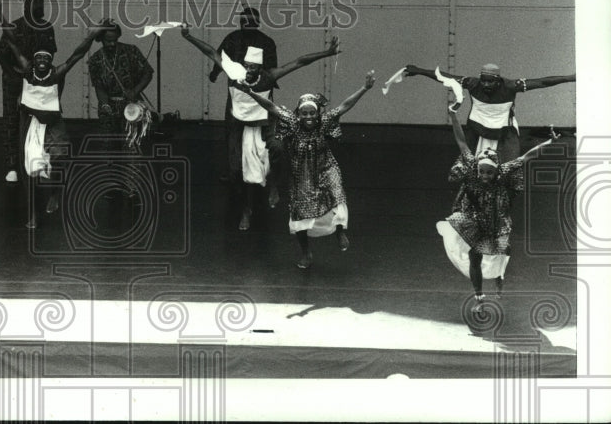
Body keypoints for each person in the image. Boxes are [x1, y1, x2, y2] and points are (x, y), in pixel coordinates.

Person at [182, 24, 340, 231]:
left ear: (259, 68)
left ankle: (273, 185)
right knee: (236, 170)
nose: (249, 71)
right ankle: (245, 210)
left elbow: (300, 62)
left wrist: (327, 53)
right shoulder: (234, 71)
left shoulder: (268, 77)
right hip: (240, 125)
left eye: (253, 68)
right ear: (244, 65)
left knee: (277, 148)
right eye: (247, 66)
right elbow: (211, 52)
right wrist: (188, 36)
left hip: (265, 123)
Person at [238, 70, 375, 268]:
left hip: (326, 168)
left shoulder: (324, 122)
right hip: (301, 175)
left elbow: (344, 106)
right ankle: (306, 253)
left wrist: (365, 88)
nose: (309, 117)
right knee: (300, 214)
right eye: (304, 113)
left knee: (336, 195)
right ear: (299, 114)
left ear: (318, 113)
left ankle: (339, 231)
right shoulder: (292, 123)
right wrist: (250, 93)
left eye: (312, 113)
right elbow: (270, 106)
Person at [437, 105, 557, 313]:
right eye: (482, 172)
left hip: (495, 221)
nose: (485, 176)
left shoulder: (503, 172)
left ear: (496, 171)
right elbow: (461, 141)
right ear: (477, 168)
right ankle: (479, 296)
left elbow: (526, 157)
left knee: (501, 251)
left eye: (489, 173)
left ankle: (499, 275)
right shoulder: (472, 166)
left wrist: (550, 141)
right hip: (473, 219)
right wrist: (453, 114)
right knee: (476, 255)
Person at [0, 0, 102, 228]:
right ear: (33, 61)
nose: (42, 60)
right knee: (30, 170)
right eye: (38, 58)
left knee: (61, 159)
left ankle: (54, 193)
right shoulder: (27, 71)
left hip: (53, 123)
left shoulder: (57, 73)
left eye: (46, 58)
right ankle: (32, 213)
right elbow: (12, 43)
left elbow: (77, 54)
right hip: (31, 123)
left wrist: (92, 35)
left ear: (51, 62)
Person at [404, 63, 574, 162]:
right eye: (483, 81)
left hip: (504, 132)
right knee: (467, 165)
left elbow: (542, 82)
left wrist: (570, 78)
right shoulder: (472, 83)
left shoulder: (511, 86)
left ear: (498, 80)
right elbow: (444, 77)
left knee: (509, 168)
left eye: (490, 82)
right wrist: (419, 70)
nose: (485, 85)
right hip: (478, 129)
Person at [209, 7, 278, 185]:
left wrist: (215, 73)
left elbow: (271, 70)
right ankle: (236, 171)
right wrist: (215, 72)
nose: (247, 24)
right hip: (241, 94)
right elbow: (221, 58)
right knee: (237, 132)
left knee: (252, 134)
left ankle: (253, 170)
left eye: (250, 21)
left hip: (256, 94)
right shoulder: (234, 39)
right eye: (244, 21)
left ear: (256, 23)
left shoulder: (264, 42)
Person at [0, 0, 57, 184]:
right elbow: (1, 55)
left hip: (38, 80)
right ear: (26, 5)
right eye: (36, 3)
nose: (40, 6)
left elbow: (50, 53)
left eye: (41, 2)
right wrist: (15, 76)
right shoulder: (15, 26)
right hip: (14, 79)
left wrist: (39, 74)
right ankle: (12, 166)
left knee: (42, 121)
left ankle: (40, 162)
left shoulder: (47, 27)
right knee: (12, 121)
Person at [87, 18, 154, 154]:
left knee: (132, 146)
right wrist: (105, 105)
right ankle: (112, 173)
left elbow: (148, 72)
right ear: (101, 39)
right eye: (108, 41)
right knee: (109, 147)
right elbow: (98, 86)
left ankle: (132, 175)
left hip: (131, 105)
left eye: (114, 40)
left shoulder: (131, 51)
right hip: (108, 107)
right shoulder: (95, 60)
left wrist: (135, 91)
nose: (111, 44)